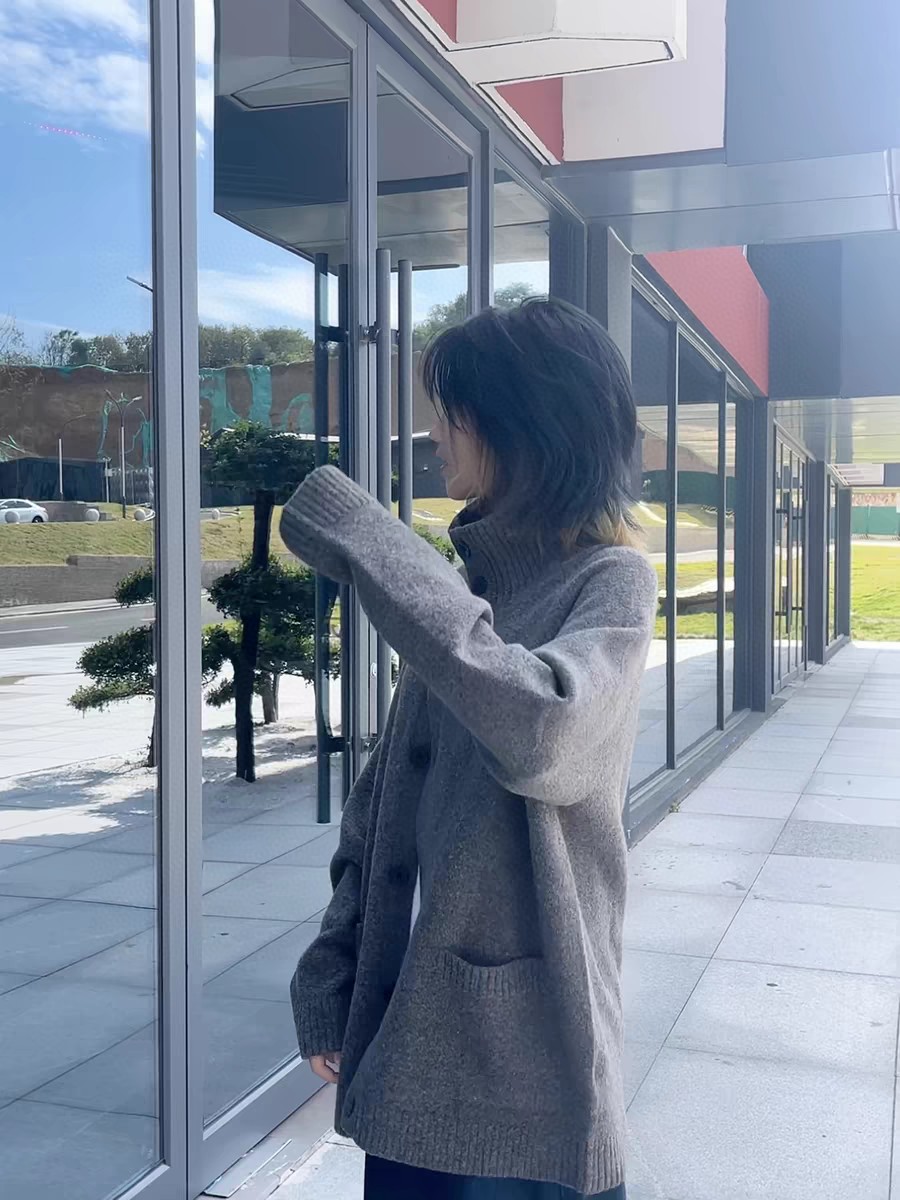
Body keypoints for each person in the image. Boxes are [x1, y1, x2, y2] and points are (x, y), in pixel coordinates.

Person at [279, 297, 658, 1199]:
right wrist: (331, 974)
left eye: (450, 413)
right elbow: (382, 811)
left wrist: (375, 544)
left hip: (525, 1062)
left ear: (519, 429)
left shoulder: (611, 581)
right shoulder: (472, 592)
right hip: (412, 1040)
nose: (434, 434)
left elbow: (544, 733)